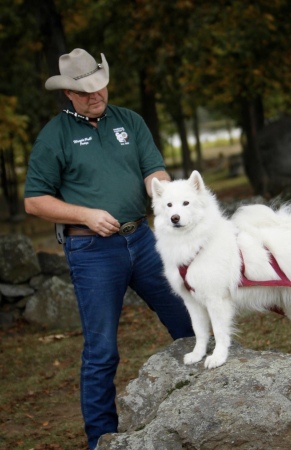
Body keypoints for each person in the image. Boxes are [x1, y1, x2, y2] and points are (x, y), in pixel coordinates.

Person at [24, 48, 194, 450]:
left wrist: (164, 194)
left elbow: (154, 169)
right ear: (68, 94)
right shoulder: (55, 135)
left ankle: (202, 407)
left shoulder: (129, 121)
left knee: (189, 321)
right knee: (102, 351)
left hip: (144, 241)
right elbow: (34, 201)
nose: (95, 94)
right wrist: (84, 214)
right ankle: (101, 439)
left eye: (99, 85)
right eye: (84, 91)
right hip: (93, 251)